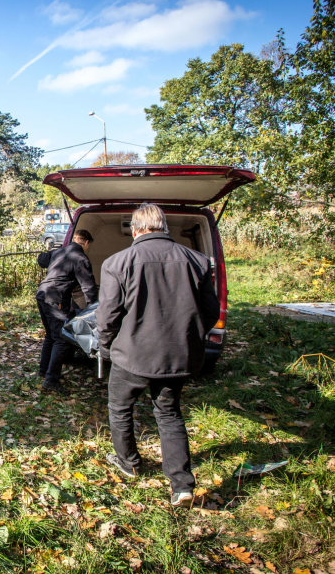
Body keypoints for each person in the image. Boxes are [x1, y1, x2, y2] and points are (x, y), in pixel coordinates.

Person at [96, 203, 220, 508]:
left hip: (132, 355)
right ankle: (181, 484)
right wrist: (190, 339)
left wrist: (107, 346)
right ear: (164, 227)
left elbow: (107, 315)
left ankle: (128, 462)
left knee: (120, 408)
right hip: (177, 356)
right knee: (169, 413)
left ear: (135, 230)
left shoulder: (118, 262)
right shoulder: (199, 261)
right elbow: (211, 311)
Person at [35, 229, 99, 394]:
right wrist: (94, 308)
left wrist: (50, 253)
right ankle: (51, 380)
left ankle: (43, 370)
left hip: (42, 294)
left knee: (51, 335)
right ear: (86, 242)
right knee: (62, 339)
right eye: (88, 245)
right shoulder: (80, 258)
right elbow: (88, 286)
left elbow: (42, 259)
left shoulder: (60, 252)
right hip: (56, 297)